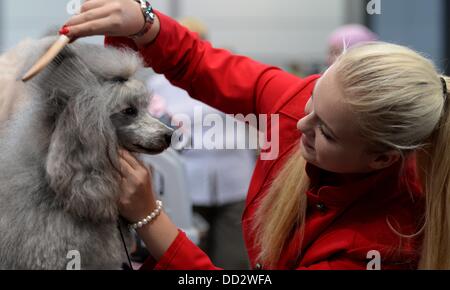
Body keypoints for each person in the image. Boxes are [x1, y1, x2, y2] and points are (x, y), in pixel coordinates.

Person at [64, 0, 450, 269]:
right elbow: (199, 63)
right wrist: (145, 22)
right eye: (312, 100)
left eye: (327, 133)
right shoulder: (296, 103)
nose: (300, 125)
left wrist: (149, 217)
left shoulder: (379, 244)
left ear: (381, 158)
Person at [146, 17, 254, 270]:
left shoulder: (227, 75)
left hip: (235, 181)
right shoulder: (157, 86)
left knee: (234, 259)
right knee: (190, 256)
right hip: (186, 184)